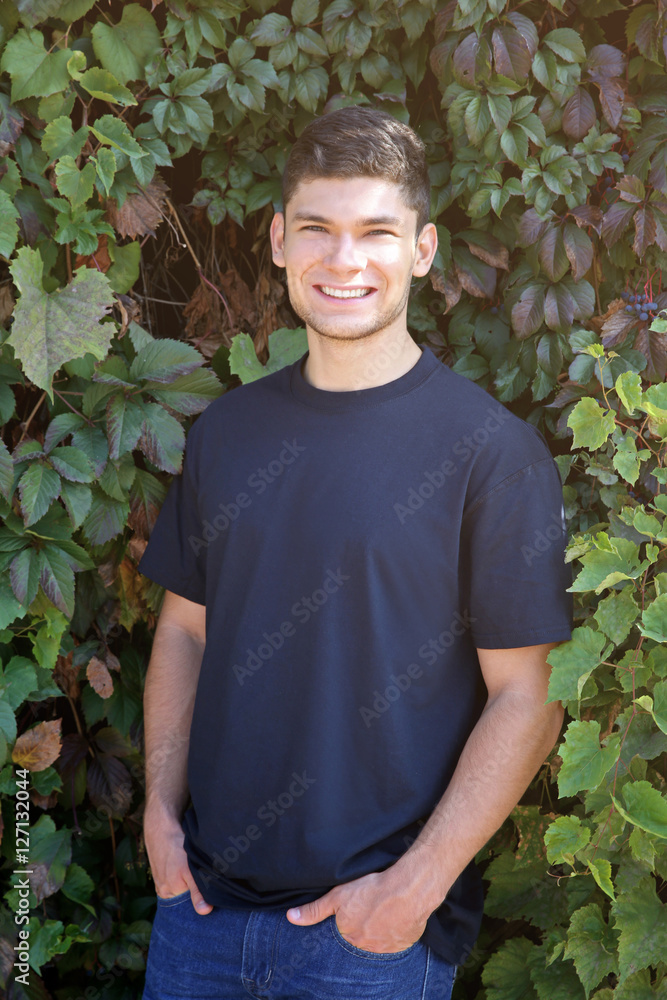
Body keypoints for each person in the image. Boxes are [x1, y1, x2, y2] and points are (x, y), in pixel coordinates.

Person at [138, 106, 572, 1000]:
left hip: (367, 943)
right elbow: (183, 632)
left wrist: (410, 893)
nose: (344, 261)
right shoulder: (226, 434)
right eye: (318, 231)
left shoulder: (488, 454)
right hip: (199, 923)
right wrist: (156, 814)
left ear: (421, 249)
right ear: (278, 242)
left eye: (376, 231)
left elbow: (525, 700)